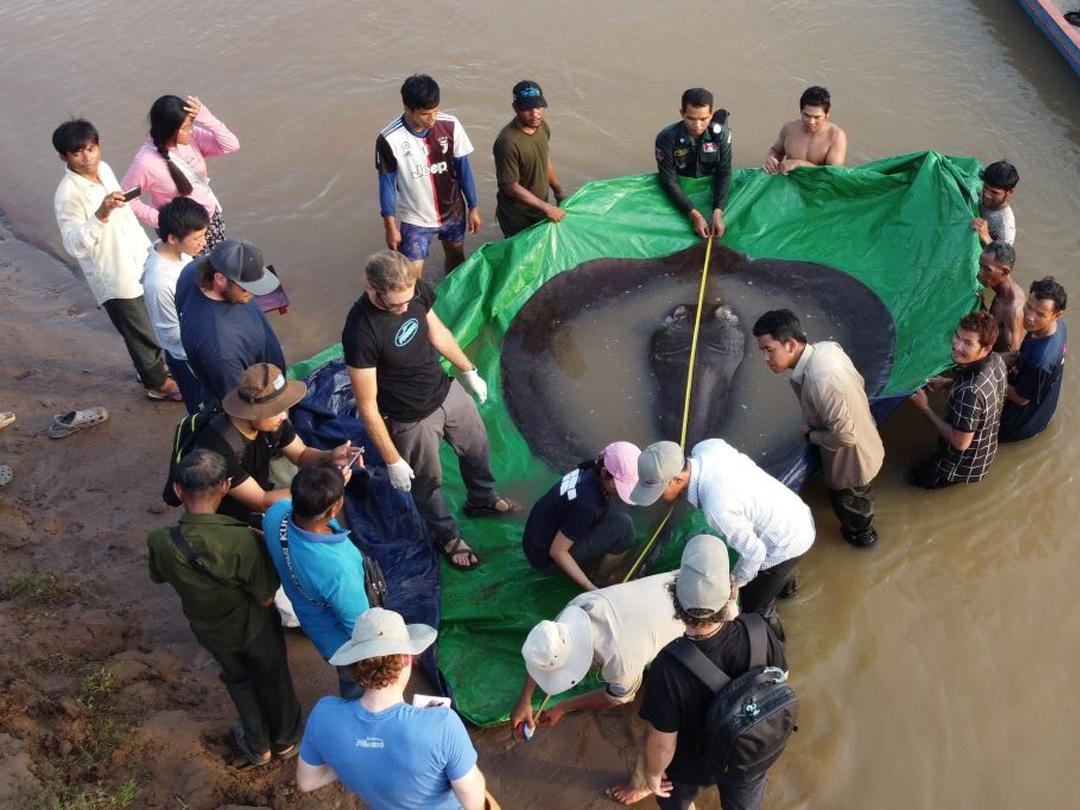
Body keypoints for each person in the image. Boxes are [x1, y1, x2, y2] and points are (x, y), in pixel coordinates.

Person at [343, 250, 514, 572]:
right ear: (371, 289)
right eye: (395, 305)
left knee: (477, 448)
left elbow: (437, 332)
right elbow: (367, 405)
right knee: (427, 481)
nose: (404, 308)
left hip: (444, 389)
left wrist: (468, 370)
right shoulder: (360, 331)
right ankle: (446, 536)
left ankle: (482, 498)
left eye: (409, 299)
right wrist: (392, 459)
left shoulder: (414, 289)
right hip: (410, 417)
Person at [147, 448, 301, 766]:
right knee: (273, 677)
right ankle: (285, 740)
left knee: (238, 680)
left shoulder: (161, 540)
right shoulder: (243, 539)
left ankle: (258, 745)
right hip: (255, 628)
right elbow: (266, 597)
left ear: (178, 490)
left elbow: (159, 576)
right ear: (226, 486)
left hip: (209, 629)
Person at [510, 572, 689, 805]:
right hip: (680, 579)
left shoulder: (620, 660)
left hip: (694, 617)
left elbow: (614, 698)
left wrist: (564, 706)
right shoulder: (576, 610)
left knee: (645, 720)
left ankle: (643, 783)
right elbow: (543, 652)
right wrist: (524, 700)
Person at [638, 535, 788, 810]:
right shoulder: (758, 629)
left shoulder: (668, 667)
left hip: (694, 764)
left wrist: (652, 775)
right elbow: (780, 680)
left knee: (674, 801)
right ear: (731, 593)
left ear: (676, 599)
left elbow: (663, 744)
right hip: (747, 752)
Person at [296, 608, 487, 810]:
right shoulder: (443, 725)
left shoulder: (323, 715)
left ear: (355, 665)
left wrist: (349, 757)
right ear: (407, 659)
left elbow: (307, 782)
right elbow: (473, 801)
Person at [629, 440, 815, 640]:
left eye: (659, 491)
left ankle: (778, 646)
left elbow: (755, 553)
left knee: (757, 610)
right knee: (780, 577)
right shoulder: (707, 447)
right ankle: (788, 593)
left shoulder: (717, 509)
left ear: (677, 479)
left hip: (786, 543)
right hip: (794, 513)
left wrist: (733, 587)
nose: (658, 498)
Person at [52, 118, 180, 401]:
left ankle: (152, 370)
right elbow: (73, 245)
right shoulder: (67, 195)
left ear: (98, 146)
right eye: (78, 153)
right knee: (140, 333)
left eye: (91, 149)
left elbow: (126, 218)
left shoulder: (105, 169)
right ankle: (158, 385)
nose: (88, 158)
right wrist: (101, 213)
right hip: (114, 274)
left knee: (156, 320)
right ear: (64, 157)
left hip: (140, 258)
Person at [752, 310, 884, 548]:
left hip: (852, 466)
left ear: (791, 344)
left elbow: (845, 436)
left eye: (769, 350)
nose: (766, 358)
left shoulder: (820, 380)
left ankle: (863, 543)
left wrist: (811, 435)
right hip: (868, 438)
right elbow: (860, 383)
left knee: (857, 524)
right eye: (762, 351)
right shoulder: (827, 349)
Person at [188, 363, 353, 522]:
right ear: (251, 412)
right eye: (276, 410)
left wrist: (330, 457)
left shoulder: (272, 423)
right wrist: (324, 488)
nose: (283, 416)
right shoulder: (218, 448)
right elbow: (260, 501)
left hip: (262, 491)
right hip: (232, 516)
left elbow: (300, 454)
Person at [262, 462, 370, 699]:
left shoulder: (275, 515)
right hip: (345, 646)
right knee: (357, 685)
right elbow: (361, 628)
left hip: (316, 627)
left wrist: (331, 486)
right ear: (335, 509)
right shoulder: (340, 569)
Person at [376, 74, 482, 280]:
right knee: (411, 275)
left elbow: (464, 169)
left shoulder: (450, 125)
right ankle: (420, 301)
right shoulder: (389, 139)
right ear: (408, 110)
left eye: (436, 111)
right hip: (415, 218)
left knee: (456, 258)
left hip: (452, 210)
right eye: (425, 114)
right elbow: (386, 184)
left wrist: (473, 206)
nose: (433, 119)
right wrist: (390, 227)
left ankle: (450, 296)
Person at [122, 94, 239, 252]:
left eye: (191, 125)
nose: (190, 131)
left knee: (222, 261)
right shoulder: (145, 162)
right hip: (182, 235)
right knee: (197, 268)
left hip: (210, 218)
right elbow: (126, 199)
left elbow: (231, 145)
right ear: (168, 130)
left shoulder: (192, 137)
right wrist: (163, 221)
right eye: (184, 128)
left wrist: (206, 117)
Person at [176, 238, 284, 408]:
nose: (253, 294)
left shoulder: (193, 269)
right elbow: (243, 407)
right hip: (260, 399)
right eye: (246, 287)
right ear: (219, 278)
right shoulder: (221, 347)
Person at [521, 441, 641, 591]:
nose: (622, 490)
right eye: (620, 484)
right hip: (545, 559)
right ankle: (600, 578)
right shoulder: (588, 505)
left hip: (535, 541)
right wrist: (591, 588)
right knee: (625, 528)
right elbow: (557, 552)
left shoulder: (591, 467)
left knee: (615, 513)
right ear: (604, 472)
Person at [908, 311, 1007, 488]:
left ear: (986, 349)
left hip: (960, 466)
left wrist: (925, 408)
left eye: (968, 343)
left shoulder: (969, 393)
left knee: (913, 480)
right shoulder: (997, 360)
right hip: (985, 448)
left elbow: (960, 443)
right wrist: (948, 383)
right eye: (957, 336)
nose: (957, 346)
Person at [141, 196, 211, 412]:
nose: (203, 243)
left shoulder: (180, 255)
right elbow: (169, 333)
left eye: (204, 235)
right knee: (203, 409)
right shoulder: (159, 282)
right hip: (187, 355)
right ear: (172, 238)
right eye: (196, 238)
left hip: (199, 342)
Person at [654, 87, 732, 239]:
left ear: (711, 114)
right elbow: (668, 180)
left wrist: (718, 211)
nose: (697, 126)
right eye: (691, 119)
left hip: (708, 182)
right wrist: (694, 215)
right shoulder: (666, 138)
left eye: (703, 119)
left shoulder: (722, 135)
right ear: (681, 113)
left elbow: (724, 172)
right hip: (682, 184)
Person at [492, 80, 566, 237]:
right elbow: (510, 186)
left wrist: (558, 191)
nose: (535, 113)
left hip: (541, 208)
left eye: (539, 107)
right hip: (518, 217)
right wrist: (547, 208)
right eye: (527, 108)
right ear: (515, 108)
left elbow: (545, 159)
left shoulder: (542, 126)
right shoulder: (507, 142)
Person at [999, 277, 1068, 442]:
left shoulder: (1041, 362)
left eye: (1040, 314)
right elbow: (1022, 355)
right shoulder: (1058, 326)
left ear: (1056, 315)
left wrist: (992, 377)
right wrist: (996, 359)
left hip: (1018, 423)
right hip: (1042, 404)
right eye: (1029, 306)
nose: (1029, 317)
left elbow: (1020, 399)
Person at [762, 85, 847, 174]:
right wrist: (771, 158)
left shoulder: (836, 136)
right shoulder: (789, 129)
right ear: (801, 110)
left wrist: (799, 164)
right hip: (789, 180)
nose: (811, 122)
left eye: (817, 117)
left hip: (817, 182)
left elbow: (833, 174)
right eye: (806, 115)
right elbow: (776, 151)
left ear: (828, 113)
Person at [977, 241, 1025, 352]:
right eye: (980, 266)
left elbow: (1013, 354)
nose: (980, 273)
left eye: (987, 269)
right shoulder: (1005, 290)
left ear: (1005, 271)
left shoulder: (1011, 309)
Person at [970, 160, 1018, 246]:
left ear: (1010, 192)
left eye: (994, 192)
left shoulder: (1006, 226)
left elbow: (1003, 254)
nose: (986, 195)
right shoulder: (980, 191)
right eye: (985, 187)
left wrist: (986, 237)